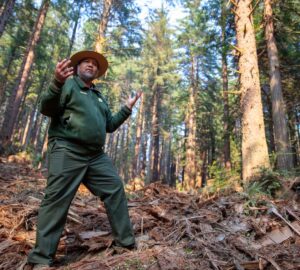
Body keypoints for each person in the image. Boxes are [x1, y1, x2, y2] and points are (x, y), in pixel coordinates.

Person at [27, 51, 141, 269]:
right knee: (56, 198)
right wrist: (56, 82)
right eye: (86, 62)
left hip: (96, 155)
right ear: (77, 67)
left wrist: (127, 109)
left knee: (115, 188)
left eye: (94, 65)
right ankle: (41, 258)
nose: (91, 65)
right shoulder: (68, 85)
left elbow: (109, 126)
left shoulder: (99, 97)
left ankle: (125, 244)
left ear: (97, 72)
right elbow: (47, 108)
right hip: (67, 149)